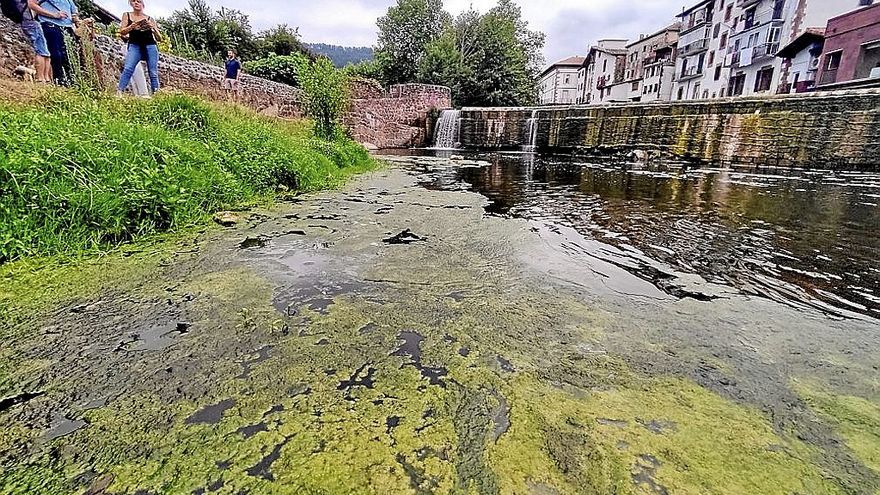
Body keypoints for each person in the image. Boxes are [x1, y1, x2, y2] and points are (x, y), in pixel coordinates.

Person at [116, 0, 161, 96]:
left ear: (143, 4)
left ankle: (157, 95)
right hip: (134, 45)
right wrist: (131, 27)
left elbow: (159, 38)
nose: (136, 3)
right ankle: (119, 92)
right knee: (128, 68)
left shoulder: (149, 18)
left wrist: (152, 28)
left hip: (150, 46)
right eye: (134, 1)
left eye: (139, 1)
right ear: (131, 4)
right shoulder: (127, 15)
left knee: (153, 72)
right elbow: (122, 31)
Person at [33, 0, 78, 85]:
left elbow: (74, 14)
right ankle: (58, 81)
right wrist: (54, 15)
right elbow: (32, 5)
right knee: (56, 55)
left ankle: (69, 82)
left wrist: (79, 22)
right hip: (50, 25)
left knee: (68, 57)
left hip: (67, 29)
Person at [19, 0, 55, 83]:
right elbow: (31, 4)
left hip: (27, 22)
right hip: (31, 22)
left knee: (45, 52)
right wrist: (54, 15)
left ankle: (46, 79)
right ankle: (40, 78)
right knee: (42, 51)